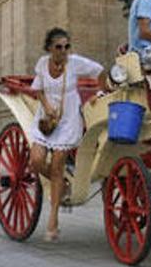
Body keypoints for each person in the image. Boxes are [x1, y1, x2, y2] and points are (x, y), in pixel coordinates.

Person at [29, 28, 107, 241]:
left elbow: (100, 71)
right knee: (35, 161)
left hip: (68, 118)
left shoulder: (74, 62)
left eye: (66, 46)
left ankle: (53, 221)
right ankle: (62, 185)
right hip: (46, 119)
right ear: (49, 48)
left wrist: (100, 93)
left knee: (56, 166)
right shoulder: (42, 64)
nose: (63, 51)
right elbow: (38, 89)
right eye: (58, 47)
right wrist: (46, 106)